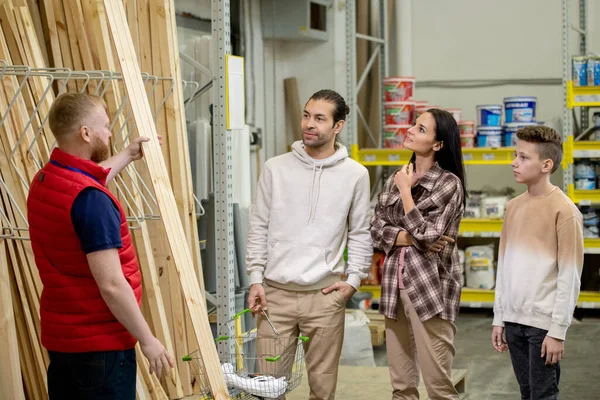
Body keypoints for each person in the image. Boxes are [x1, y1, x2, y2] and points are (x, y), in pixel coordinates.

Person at [27, 93, 174, 399]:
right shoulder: (92, 201)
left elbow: (84, 181)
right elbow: (110, 284)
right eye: (105, 126)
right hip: (101, 348)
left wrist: (128, 154)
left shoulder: (46, 180)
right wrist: (147, 339)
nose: (109, 133)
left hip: (65, 342)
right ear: (85, 133)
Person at [245, 89, 373, 400]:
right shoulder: (276, 168)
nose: (309, 124)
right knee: (269, 391)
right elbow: (258, 225)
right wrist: (255, 279)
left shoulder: (355, 175)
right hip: (275, 295)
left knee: (323, 390)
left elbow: (360, 232)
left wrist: (353, 281)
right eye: (306, 115)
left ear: (338, 126)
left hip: (325, 296)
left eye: (319, 118)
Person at [371, 108, 467, 400]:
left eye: (421, 129)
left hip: (431, 291)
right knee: (401, 386)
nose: (411, 130)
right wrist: (404, 237)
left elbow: (429, 237)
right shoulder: (399, 177)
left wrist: (406, 195)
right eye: (415, 124)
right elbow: (375, 229)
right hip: (393, 288)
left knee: (439, 386)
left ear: (438, 145)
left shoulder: (448, 184)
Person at [491, 126, 583, 400]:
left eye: (523, 157)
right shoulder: (513, 207)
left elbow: (570, 275)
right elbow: (503, 267)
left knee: (543, 395)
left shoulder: (565, 211)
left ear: (546, 165)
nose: (514, 162)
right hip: (513, 319)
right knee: (526, 392)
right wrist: (499, 316)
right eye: (515, 155)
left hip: (543, 325)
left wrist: (558, 331)